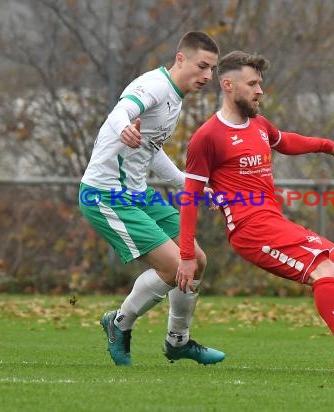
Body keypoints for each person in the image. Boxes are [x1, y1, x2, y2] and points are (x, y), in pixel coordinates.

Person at [177, 50, 334, 373]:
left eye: (260, 83)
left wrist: (329, 146)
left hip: (273, 222)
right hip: (249, 230)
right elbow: (189, 198)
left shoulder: (259, 125)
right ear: (228, 85)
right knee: (324, 270)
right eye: (253, 84)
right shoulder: (206, 138)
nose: (260, 91)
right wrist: (187, 254)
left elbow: (287, 142)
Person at [79, 31, 225, 366]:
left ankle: (178, 341)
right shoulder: (154, 86)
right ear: (180, 59)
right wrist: (123, 128)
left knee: (196, 260)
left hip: (137, 193)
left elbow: (151, 150)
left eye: (212, 70)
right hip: (106, 195)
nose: (206, 76)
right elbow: (122, 111)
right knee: (177, 267)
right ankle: (119, 323)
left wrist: (188, 185)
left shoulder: (175, 97)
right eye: (202, 66)